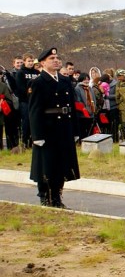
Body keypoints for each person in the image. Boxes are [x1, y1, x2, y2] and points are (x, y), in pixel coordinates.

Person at [28, 47, 80, 208]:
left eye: (57, 58)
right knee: (46, 164)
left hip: (64, 127)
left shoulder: (65, 81)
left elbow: (72, 106)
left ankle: (57, 197)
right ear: (42, 63)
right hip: (48, 129)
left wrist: (75, 131)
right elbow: (34, 111)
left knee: (62, 164)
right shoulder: (38, 82)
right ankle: (45, 197)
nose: (56, 60)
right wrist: (37, 136)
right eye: (52, 58)